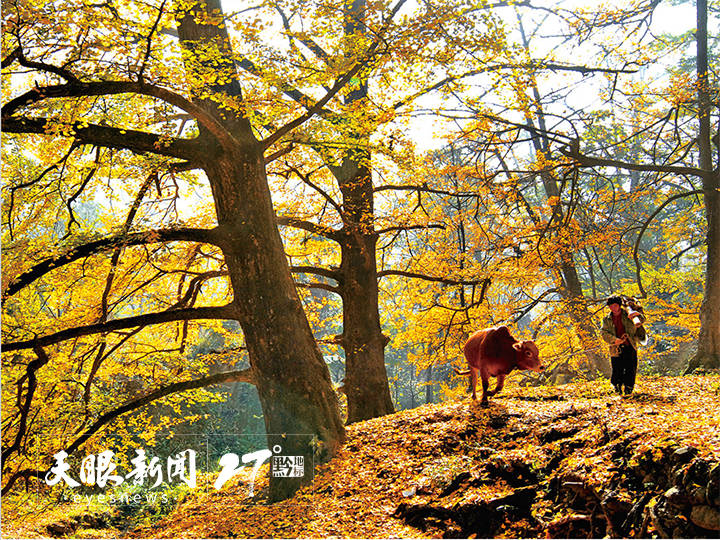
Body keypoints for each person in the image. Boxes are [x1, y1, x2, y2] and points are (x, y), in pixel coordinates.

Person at [600, 295, 642, 395]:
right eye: (610, 306)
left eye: (614, 305)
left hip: (629, 344)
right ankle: (617, 388)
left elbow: (641, 321)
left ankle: (628, 389)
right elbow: (604, 333)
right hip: (615, 347)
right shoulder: (607, 319)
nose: (612, 308)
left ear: (619, 305)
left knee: (630, 368)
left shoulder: (628, 313)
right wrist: (614, 340)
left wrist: (638, 315)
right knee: (617, 368)